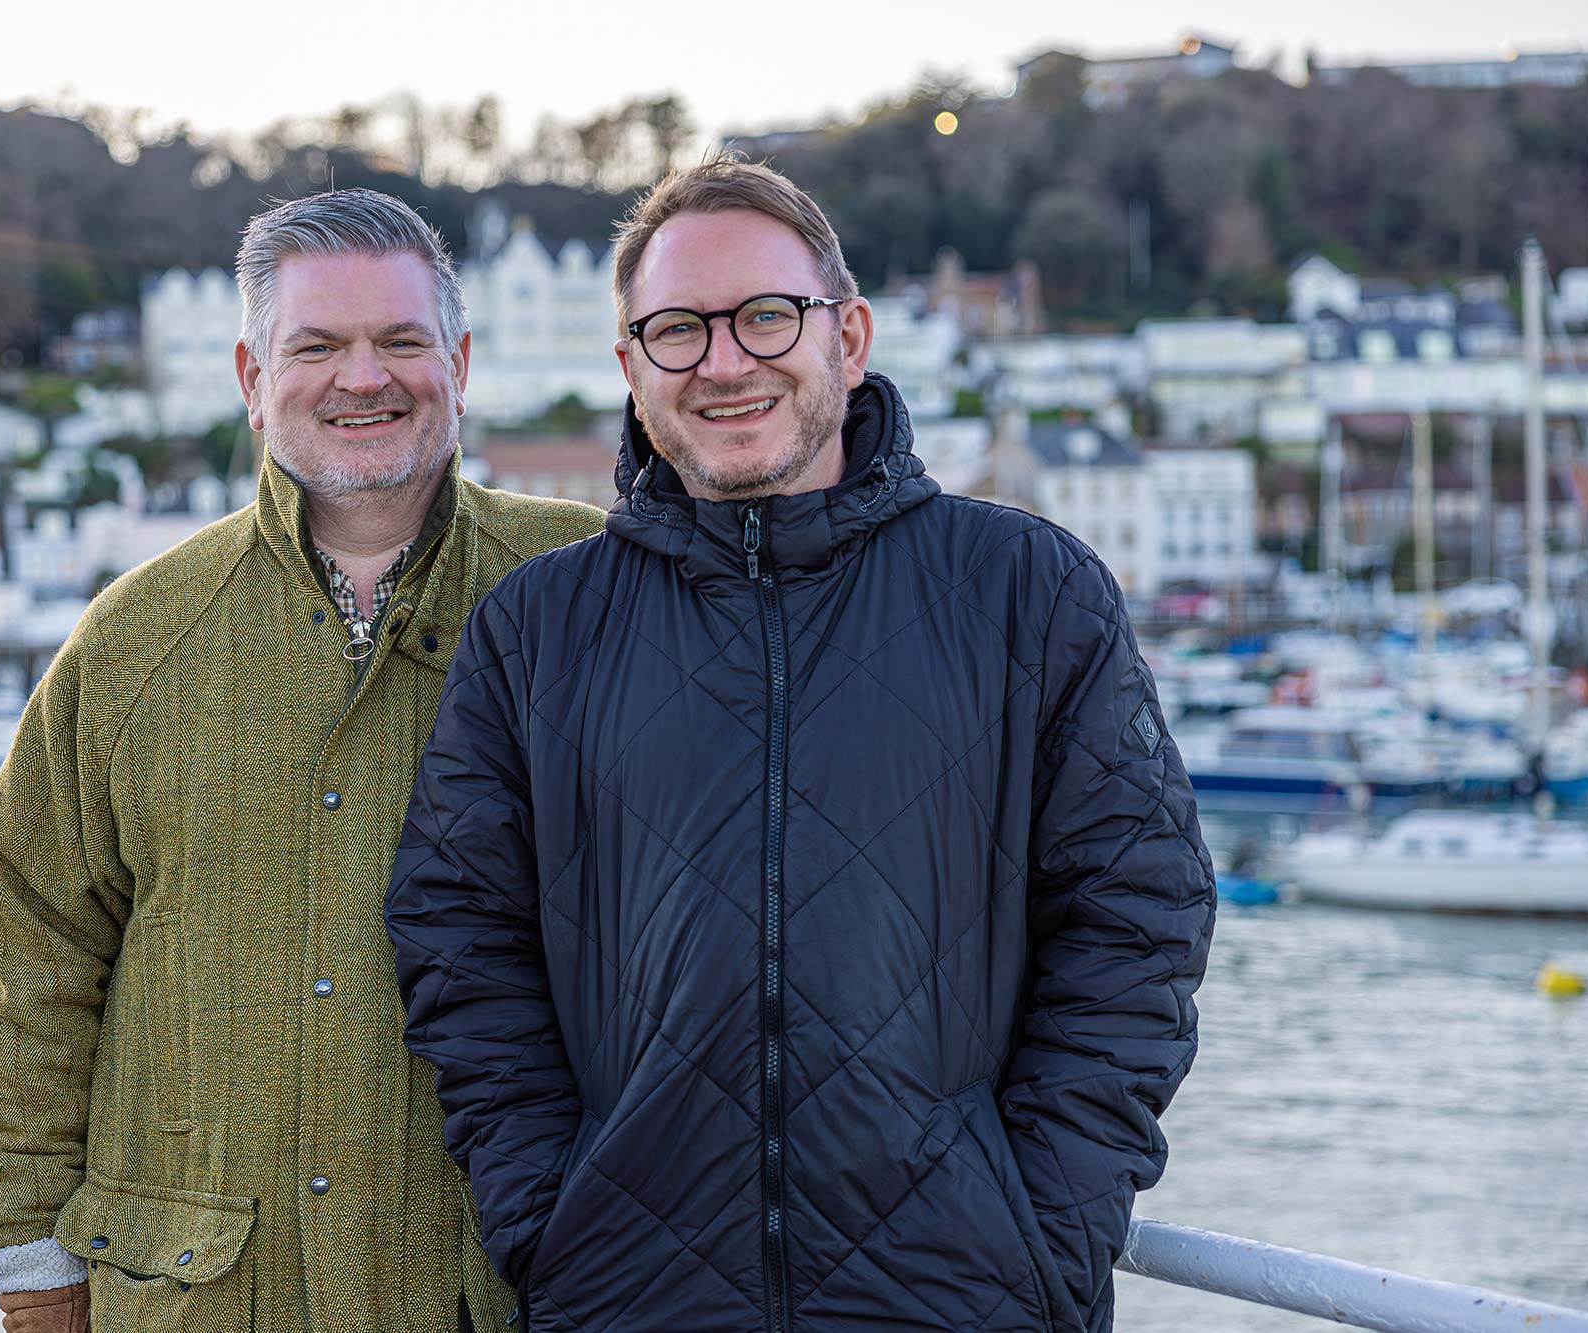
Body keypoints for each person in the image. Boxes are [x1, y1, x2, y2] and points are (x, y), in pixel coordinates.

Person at [388, 158, 1215, 1333]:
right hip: (625, 1298)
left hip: (964, 1300)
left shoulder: (1026, 589)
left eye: (766, 315)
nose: (724, 362)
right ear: (629, 368)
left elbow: (1137, 918)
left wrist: (1041, 1225)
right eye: (676, 330)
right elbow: (460, 939)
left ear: (850, 335)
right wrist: (548, 1219)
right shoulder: (537, 631)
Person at [0, 188, 606, 1333]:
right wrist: (32, 1267)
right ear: (252, 379)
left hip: (507, 1290)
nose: (363, 377)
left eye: (401, 340)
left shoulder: (590, 589)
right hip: (197, 1299)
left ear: (457, 361)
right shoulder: (135, 640)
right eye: (317, 346)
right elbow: (31, 963)